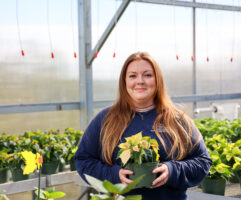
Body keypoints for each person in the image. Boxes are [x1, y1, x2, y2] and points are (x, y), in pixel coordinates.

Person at [75, 52, 212, 200]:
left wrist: (172, 170)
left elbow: (203, 161)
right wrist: (114, 175)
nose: (140, 81)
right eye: (132, 76)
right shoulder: (105, 120)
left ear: (157, 80)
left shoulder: (177, 120)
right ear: (124, 82)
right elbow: (83, 160)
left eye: (147, 75)